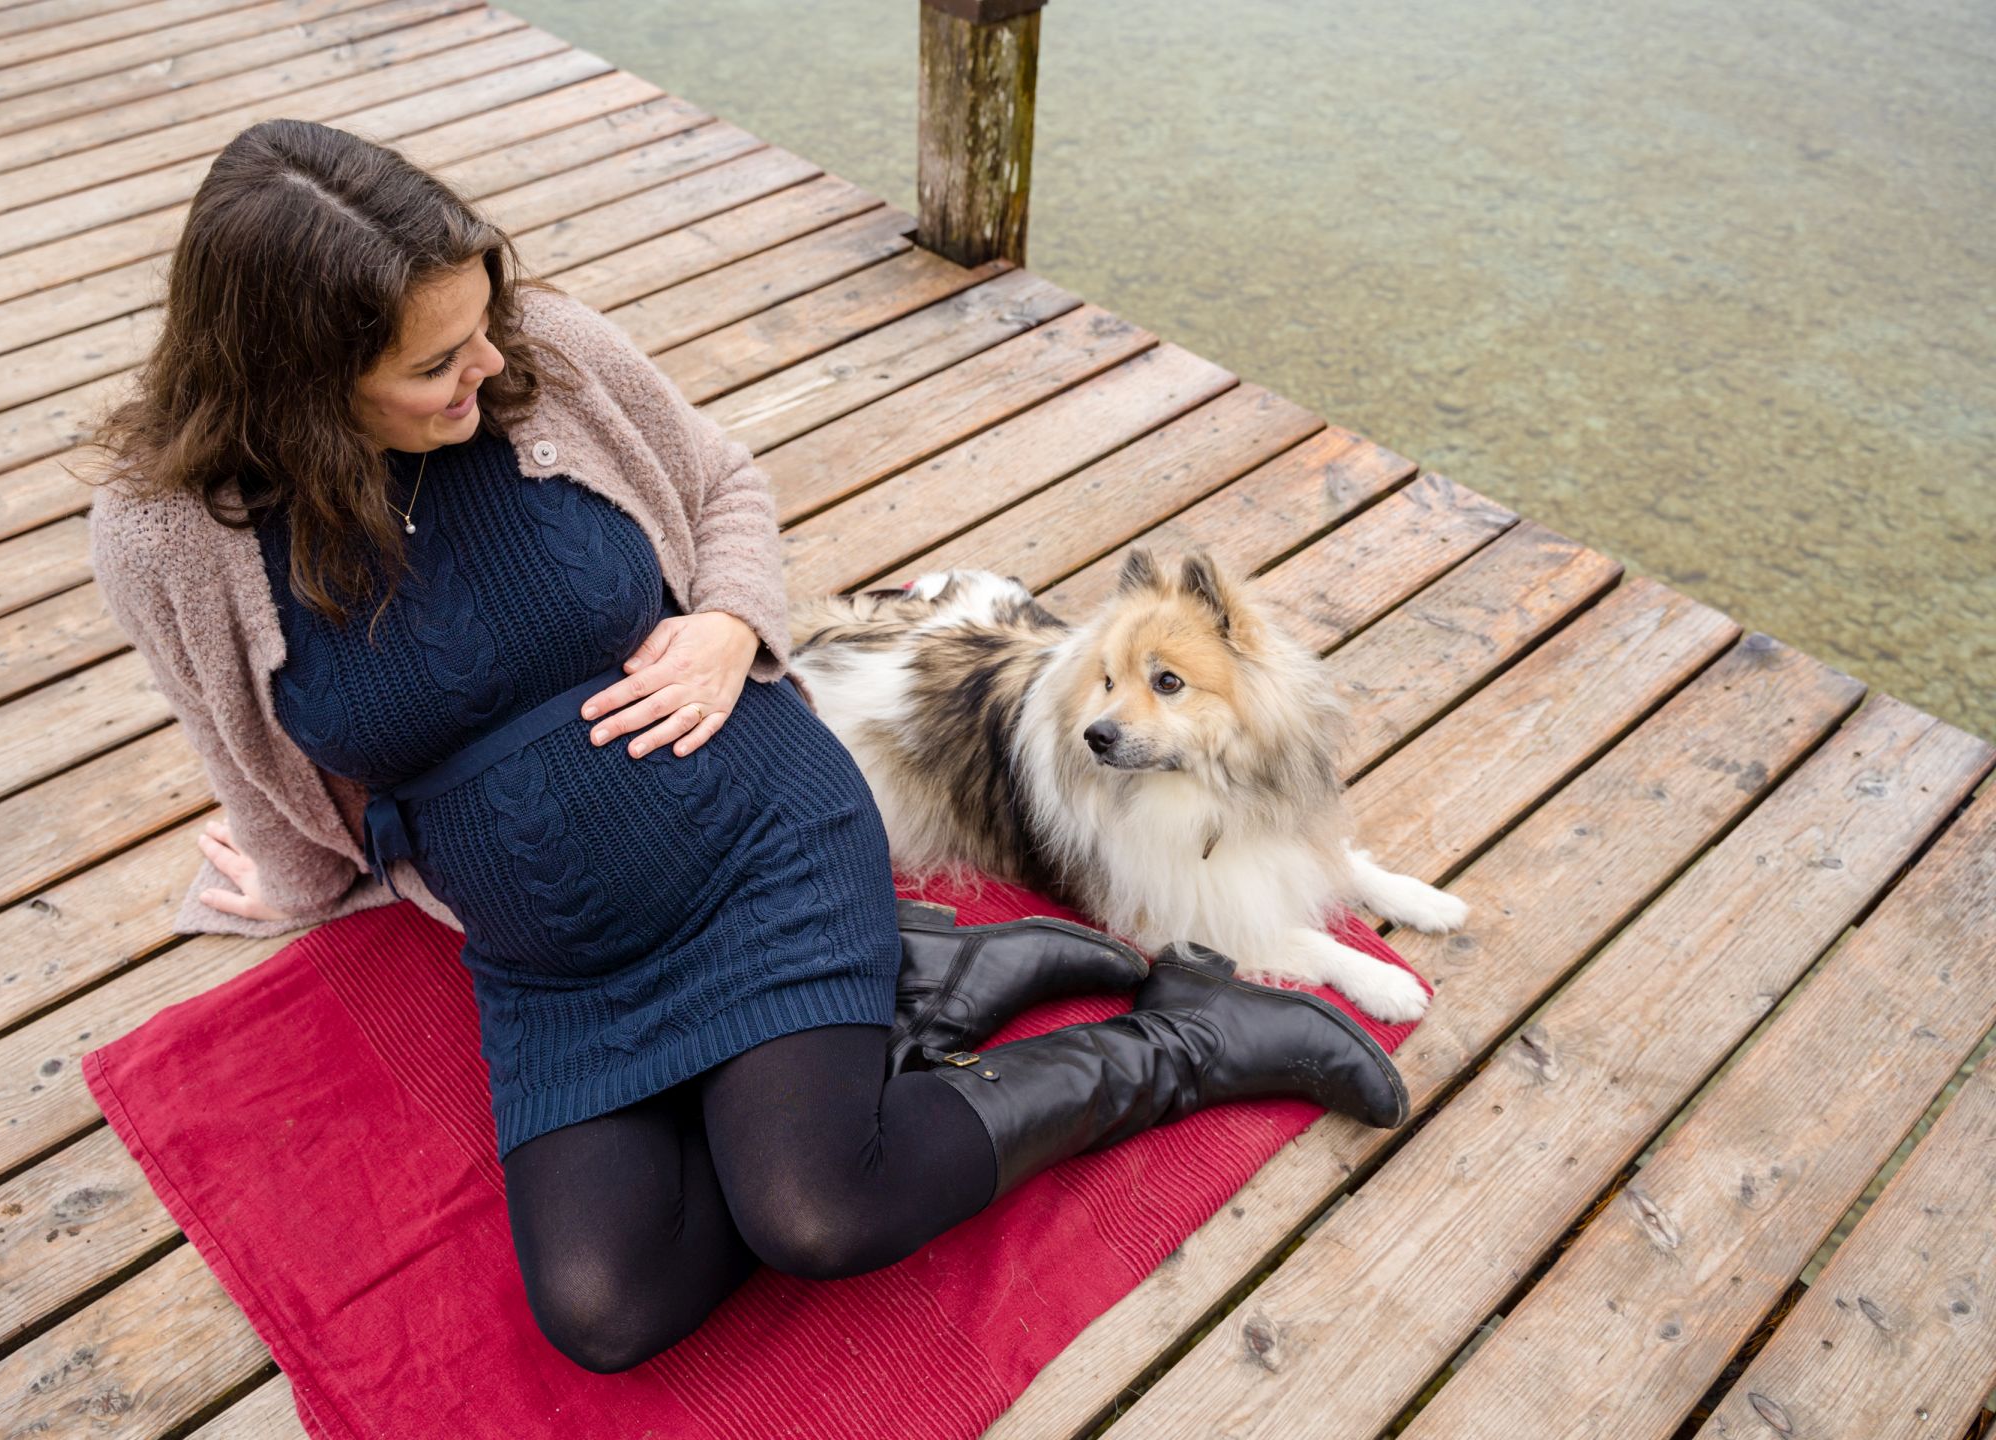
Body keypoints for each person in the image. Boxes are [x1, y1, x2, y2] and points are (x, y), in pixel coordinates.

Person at [80, 118, 1411, 1374]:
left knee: (820, 1207)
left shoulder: (546, 353)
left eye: (482, 322)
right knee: (609, 1307)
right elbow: (237, 738)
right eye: (435, 364)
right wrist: (299, 874)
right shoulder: (171, 538)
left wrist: (725, 622)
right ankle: (935, 984)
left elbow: (724, 486)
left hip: (758, 839)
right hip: (560, 963)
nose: (485, 366)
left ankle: (1187, 1041)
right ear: (300, 385)